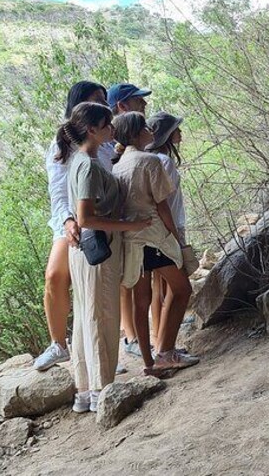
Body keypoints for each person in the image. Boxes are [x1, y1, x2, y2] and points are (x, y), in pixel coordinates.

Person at [55, 102, 151, 413]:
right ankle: (101, 389)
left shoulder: (83, 161)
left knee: (87, 317)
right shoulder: (88, 166)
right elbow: (85, 218)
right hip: (99, 249)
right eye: (107, 124)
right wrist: (129, 226)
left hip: (86, 251)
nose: (112, 129)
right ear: (92, 129)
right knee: (102, 317)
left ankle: (86, 391)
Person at [111, 112, 199, 373]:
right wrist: (176, 239)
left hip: (131, 241)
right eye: (147, 128)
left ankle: (150, 362)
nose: (151, 132)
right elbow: (162, 205)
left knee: (142, 300)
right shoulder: (150, 161)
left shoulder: (117, 166)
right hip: (154, 237)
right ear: (138, 133)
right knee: (181, 288)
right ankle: (166, 352)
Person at [35, 81, 113, 371]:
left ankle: (104, 348)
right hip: (69, 219)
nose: (103, 106)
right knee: (55, 276)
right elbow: (57, 190)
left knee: (97, 287)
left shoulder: (106, 143)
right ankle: (58, 344)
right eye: (96, 100)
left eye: (104, 101)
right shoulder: (60, 145)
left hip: (100, 216)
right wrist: (68, 220)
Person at [107, 83, 151, 359]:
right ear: (122, 106)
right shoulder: (114, 146)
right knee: (129, 279)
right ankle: (131, 336)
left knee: (137, 277)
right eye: (138, 101)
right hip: (120, 222)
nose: (143, 105)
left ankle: (140, 335)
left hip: (126, 221)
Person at [145, 112, 188, 346]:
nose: (180, 132)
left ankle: (157, 336)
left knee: (157, 286)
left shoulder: (149, 160)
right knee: (176, 285)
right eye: (176, 129)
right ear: (167, 135)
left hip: (154, 230)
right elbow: (166, 201)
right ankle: (164, 344)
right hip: (168, 227)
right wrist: (176, 234)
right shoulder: (164, 162)